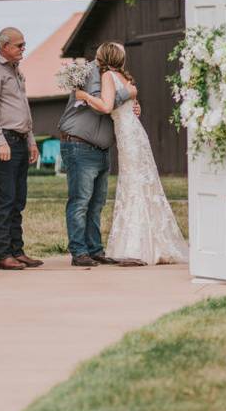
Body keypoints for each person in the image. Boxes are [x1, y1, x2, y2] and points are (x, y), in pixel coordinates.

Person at [75, 42, 188, 265]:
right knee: (140, 183)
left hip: (128, 134)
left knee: (133, 184)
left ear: (105, 57)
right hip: (135, 132)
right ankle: (149, 242)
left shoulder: (107, 75)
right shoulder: (125, 78)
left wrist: (84, 96)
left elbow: (107, 107)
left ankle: (135, 246)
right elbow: (129, 104)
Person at [57, 50, 136, 267]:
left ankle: (95, 249)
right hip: (79, 146)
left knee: (97, 203)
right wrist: (126, 94)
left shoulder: (112, 75)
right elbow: (103, 106)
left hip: (101, 149)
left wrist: (132, 102)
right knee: (80, 201)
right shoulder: (89, 73)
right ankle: (79, 252)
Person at [0, 27, 43, 271]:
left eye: (24, 45)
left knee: (19, 199)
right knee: (5, 199)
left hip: (20, 139)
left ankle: (17, 251)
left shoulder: (16, 71)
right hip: (5, 141)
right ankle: (3, 254)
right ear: (4, 46)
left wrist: (31, 141)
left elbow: (23, 109)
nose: (23, 49)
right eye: (19, 45)